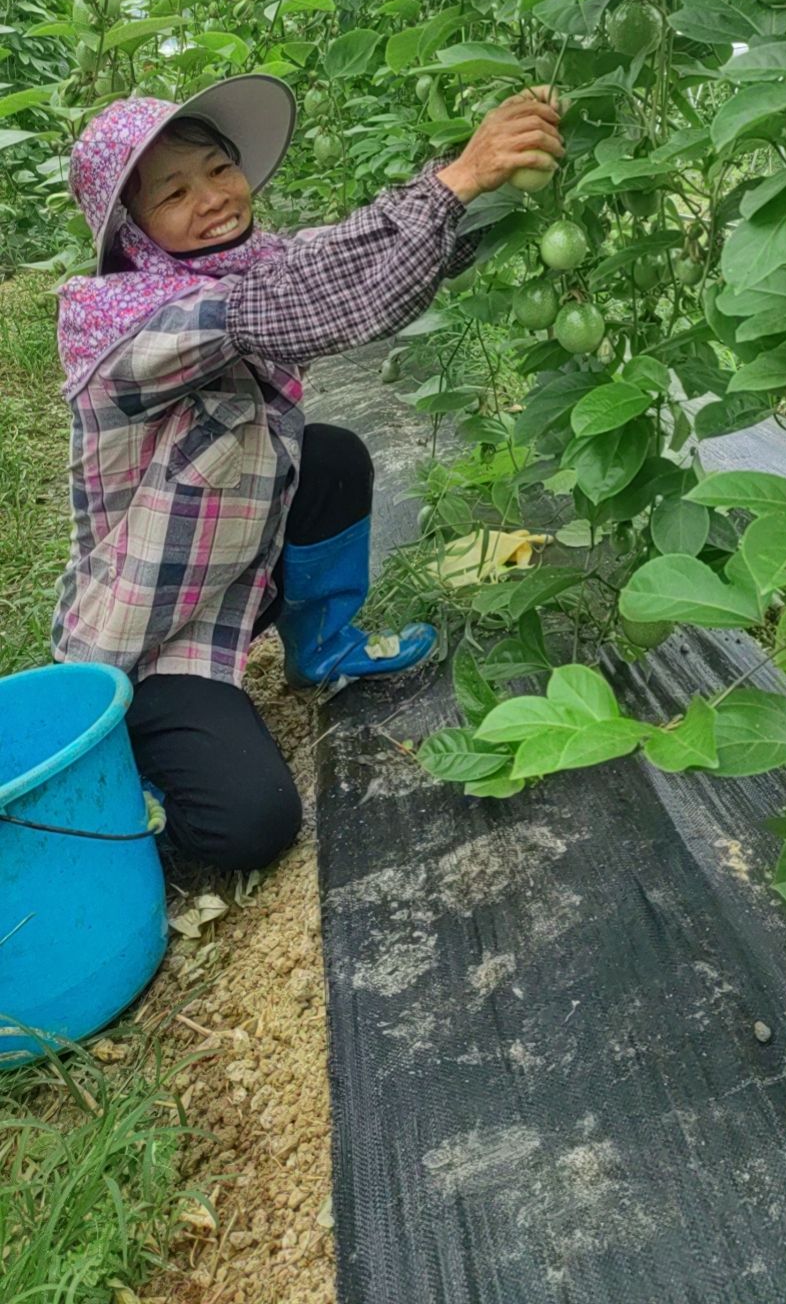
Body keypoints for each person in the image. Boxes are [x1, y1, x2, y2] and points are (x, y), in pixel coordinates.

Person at [52, 75, 563, 873]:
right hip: (155, 640)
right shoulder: (128, 331)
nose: (214, 198)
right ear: (133, 230)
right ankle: (122, 794)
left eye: (219, 169)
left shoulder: (244, 263)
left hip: (235, 575)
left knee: (329, 456)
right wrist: (455, 179)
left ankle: (322, 646)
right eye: (174, 192)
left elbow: (331, 255)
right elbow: (310, 302)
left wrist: (472, 199)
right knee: (251, 823)